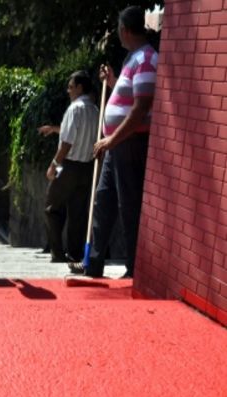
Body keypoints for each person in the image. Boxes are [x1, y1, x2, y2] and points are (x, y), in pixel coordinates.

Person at [71, 5, 158, 278]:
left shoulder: (146, 58)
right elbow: (130, 96)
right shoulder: (133, 59)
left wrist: (111, 139)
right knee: (103, 202)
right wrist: (113, 80)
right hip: (116, 143)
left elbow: (141, 107)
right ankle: (93, 263)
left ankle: (134, 268)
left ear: (124, 30)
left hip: (129, 143)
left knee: (129, 204)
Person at [38, 71, 100, 264]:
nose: (68, 90)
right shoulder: (95, 110)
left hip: (67, 166)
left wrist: (54, 165)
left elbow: (68, 141)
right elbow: (81, 133)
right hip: (87, 168)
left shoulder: (75, 108)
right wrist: (54, 129)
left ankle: (57, 253)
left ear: (80, 87)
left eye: (71, 86)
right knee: (78, 213)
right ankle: (75, 253)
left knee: (51, 207)